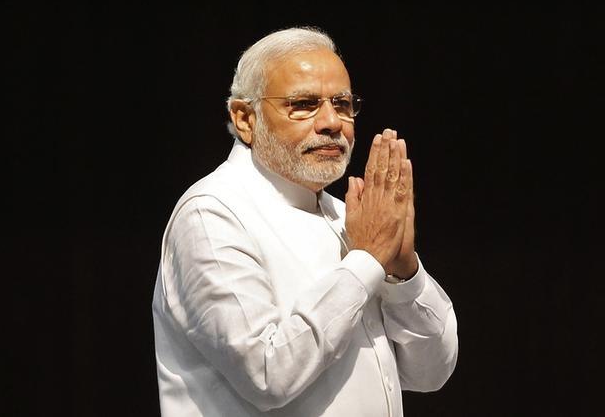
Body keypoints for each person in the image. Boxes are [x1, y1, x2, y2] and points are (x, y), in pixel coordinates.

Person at [152, 27, 458, 416]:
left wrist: (402, 271)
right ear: (245, 118)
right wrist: (365, 263)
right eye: (304, 104)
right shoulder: (212, 213)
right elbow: (266, 373)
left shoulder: (350, 216)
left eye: (343, 104)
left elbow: (431, 373)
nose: (332, 122)